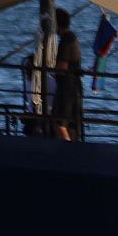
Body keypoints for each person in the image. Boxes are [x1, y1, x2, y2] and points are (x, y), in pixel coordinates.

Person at [50, 8, 84, 141]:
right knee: (71, 124)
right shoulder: (73, 38)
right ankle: (74, 152)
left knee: (58, 122)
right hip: (75, 87)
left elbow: (62, 67)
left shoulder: (65, 41)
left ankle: (65, 150)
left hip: (66, 87)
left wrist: (52, 69)